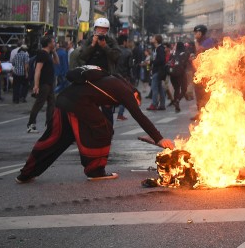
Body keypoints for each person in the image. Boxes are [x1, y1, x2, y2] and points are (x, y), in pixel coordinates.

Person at [16, 65, 175, 183]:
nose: (135, 104)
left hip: (64, 100)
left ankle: (26, 173)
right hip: (77, 103)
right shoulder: (127, 92)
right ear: (135, 94)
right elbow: (139, 116)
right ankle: (95, 170)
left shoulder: (114, 82)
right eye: (136, 101)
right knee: (104, 130)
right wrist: (159, 138)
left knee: (53, 139)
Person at [27, 36, 58, 133]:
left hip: (49, 83)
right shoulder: (42, 54)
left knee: (52, 103)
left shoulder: (48, 54)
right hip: (43, 83)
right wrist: (36, 85)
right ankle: (31, 125)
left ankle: (50, 124)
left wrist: (53, 51)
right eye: (53, 42)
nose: (55, 43)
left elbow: (57, 62)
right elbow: (38, 70)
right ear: (48, 43)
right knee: (39, 104)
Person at [148, 34, 167, 111]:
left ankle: (154, 104)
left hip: (158, 71)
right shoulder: (156, 48)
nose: (152, 38)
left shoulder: (160, 49)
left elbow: (162, 60)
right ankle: (162, 105)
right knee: (160, 88)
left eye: (153, 38)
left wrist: (153, 62)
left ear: (156, 40)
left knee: (154, 88)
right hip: (156, 70)